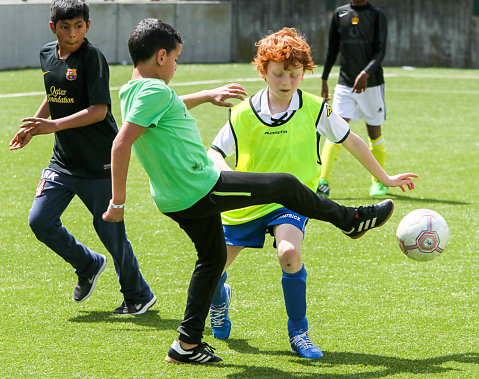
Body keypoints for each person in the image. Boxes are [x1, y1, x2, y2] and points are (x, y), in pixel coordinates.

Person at [102, 18, 416, 364]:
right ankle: (349, 219)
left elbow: (166, 103)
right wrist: (118, 202)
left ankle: (188, 345)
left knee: (220, 259)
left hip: (179, 197)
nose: (287, 81)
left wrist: (206, 96)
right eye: (176, 58)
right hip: (203, 188)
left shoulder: (132, 90)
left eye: (294, 74)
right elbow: (123, 143)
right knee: (282, 185)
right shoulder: (186, 99)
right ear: (161, 56)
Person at [206, 27, 418, 360]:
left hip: (292, 201)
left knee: (289, 253)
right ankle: (219, 300)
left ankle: (299, 332)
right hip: (246, 202)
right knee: (215, 266)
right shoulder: (242, 113)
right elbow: (214, 151)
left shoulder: (315, 108)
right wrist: (227, 171)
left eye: (294, 74)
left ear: (304, 73)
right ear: (263, 72)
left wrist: (385, 176)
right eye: (278, 74)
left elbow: (351, 140)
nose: (286, 81)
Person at [9, 0, 156, 315]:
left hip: (100, 161)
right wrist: (35, 126)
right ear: (53, 28)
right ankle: (88, 264)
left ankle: (138, 295)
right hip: (63, 161)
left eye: (78, 26)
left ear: (88, 26)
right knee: (40, 221)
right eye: (65, 27)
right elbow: (54, 94)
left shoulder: (92, 58)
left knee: (110, 232)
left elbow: (98, 110)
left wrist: (54, 126)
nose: (72, 33)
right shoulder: (47, 54)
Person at [318, 0, 388, 198]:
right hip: (345, 84)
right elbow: (333, 49)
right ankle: (323, 181)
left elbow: (381, 51)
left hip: (372, 84)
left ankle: (378, 182)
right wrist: (324, 78)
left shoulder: (377, 15)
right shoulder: (340, 14)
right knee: (335, 129)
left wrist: (366, 73)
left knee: (374, 132)